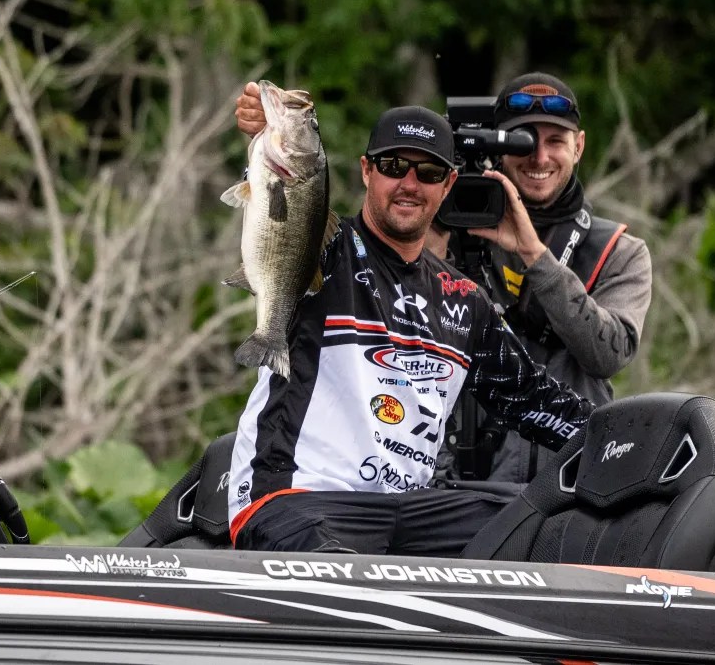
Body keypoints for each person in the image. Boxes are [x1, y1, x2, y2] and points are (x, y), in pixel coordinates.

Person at [227, 82, 594, 556]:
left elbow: (534, 399)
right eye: (393, 167)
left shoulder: (465, 300)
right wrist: (267, 135)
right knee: (337, 567)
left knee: (542, 524)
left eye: (428, 172)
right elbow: (284, 206)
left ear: (448, 185)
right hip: (295, 496)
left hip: (406, 513)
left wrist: (622, 437)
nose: (409, 184)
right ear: (367, 171)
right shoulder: (326, 252)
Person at [432, 72, 652, 485]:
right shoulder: (453, 229)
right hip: (462, 480)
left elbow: (608, 355)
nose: (539, 157)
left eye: (555, 141)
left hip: (570, 480)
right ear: (499, 146)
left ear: (578, 146)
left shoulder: (619, 251)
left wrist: (535, 255)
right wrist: (436, 228)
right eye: (524, 141)